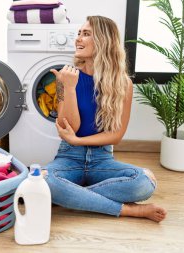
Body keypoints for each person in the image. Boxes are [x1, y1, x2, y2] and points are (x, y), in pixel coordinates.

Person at [45, 16, 167, 222]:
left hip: (102, 160)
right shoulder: (66, 78)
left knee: (144, 182)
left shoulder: (123, 84)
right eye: (78, 34)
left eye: (86, 34)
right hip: (69, 158)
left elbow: (116, 135)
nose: (78, 39)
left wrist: (79, 141)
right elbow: (69, 128)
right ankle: (129, 210)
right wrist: (69, 88)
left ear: (103, 40)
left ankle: (68, 196)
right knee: (46, 180)